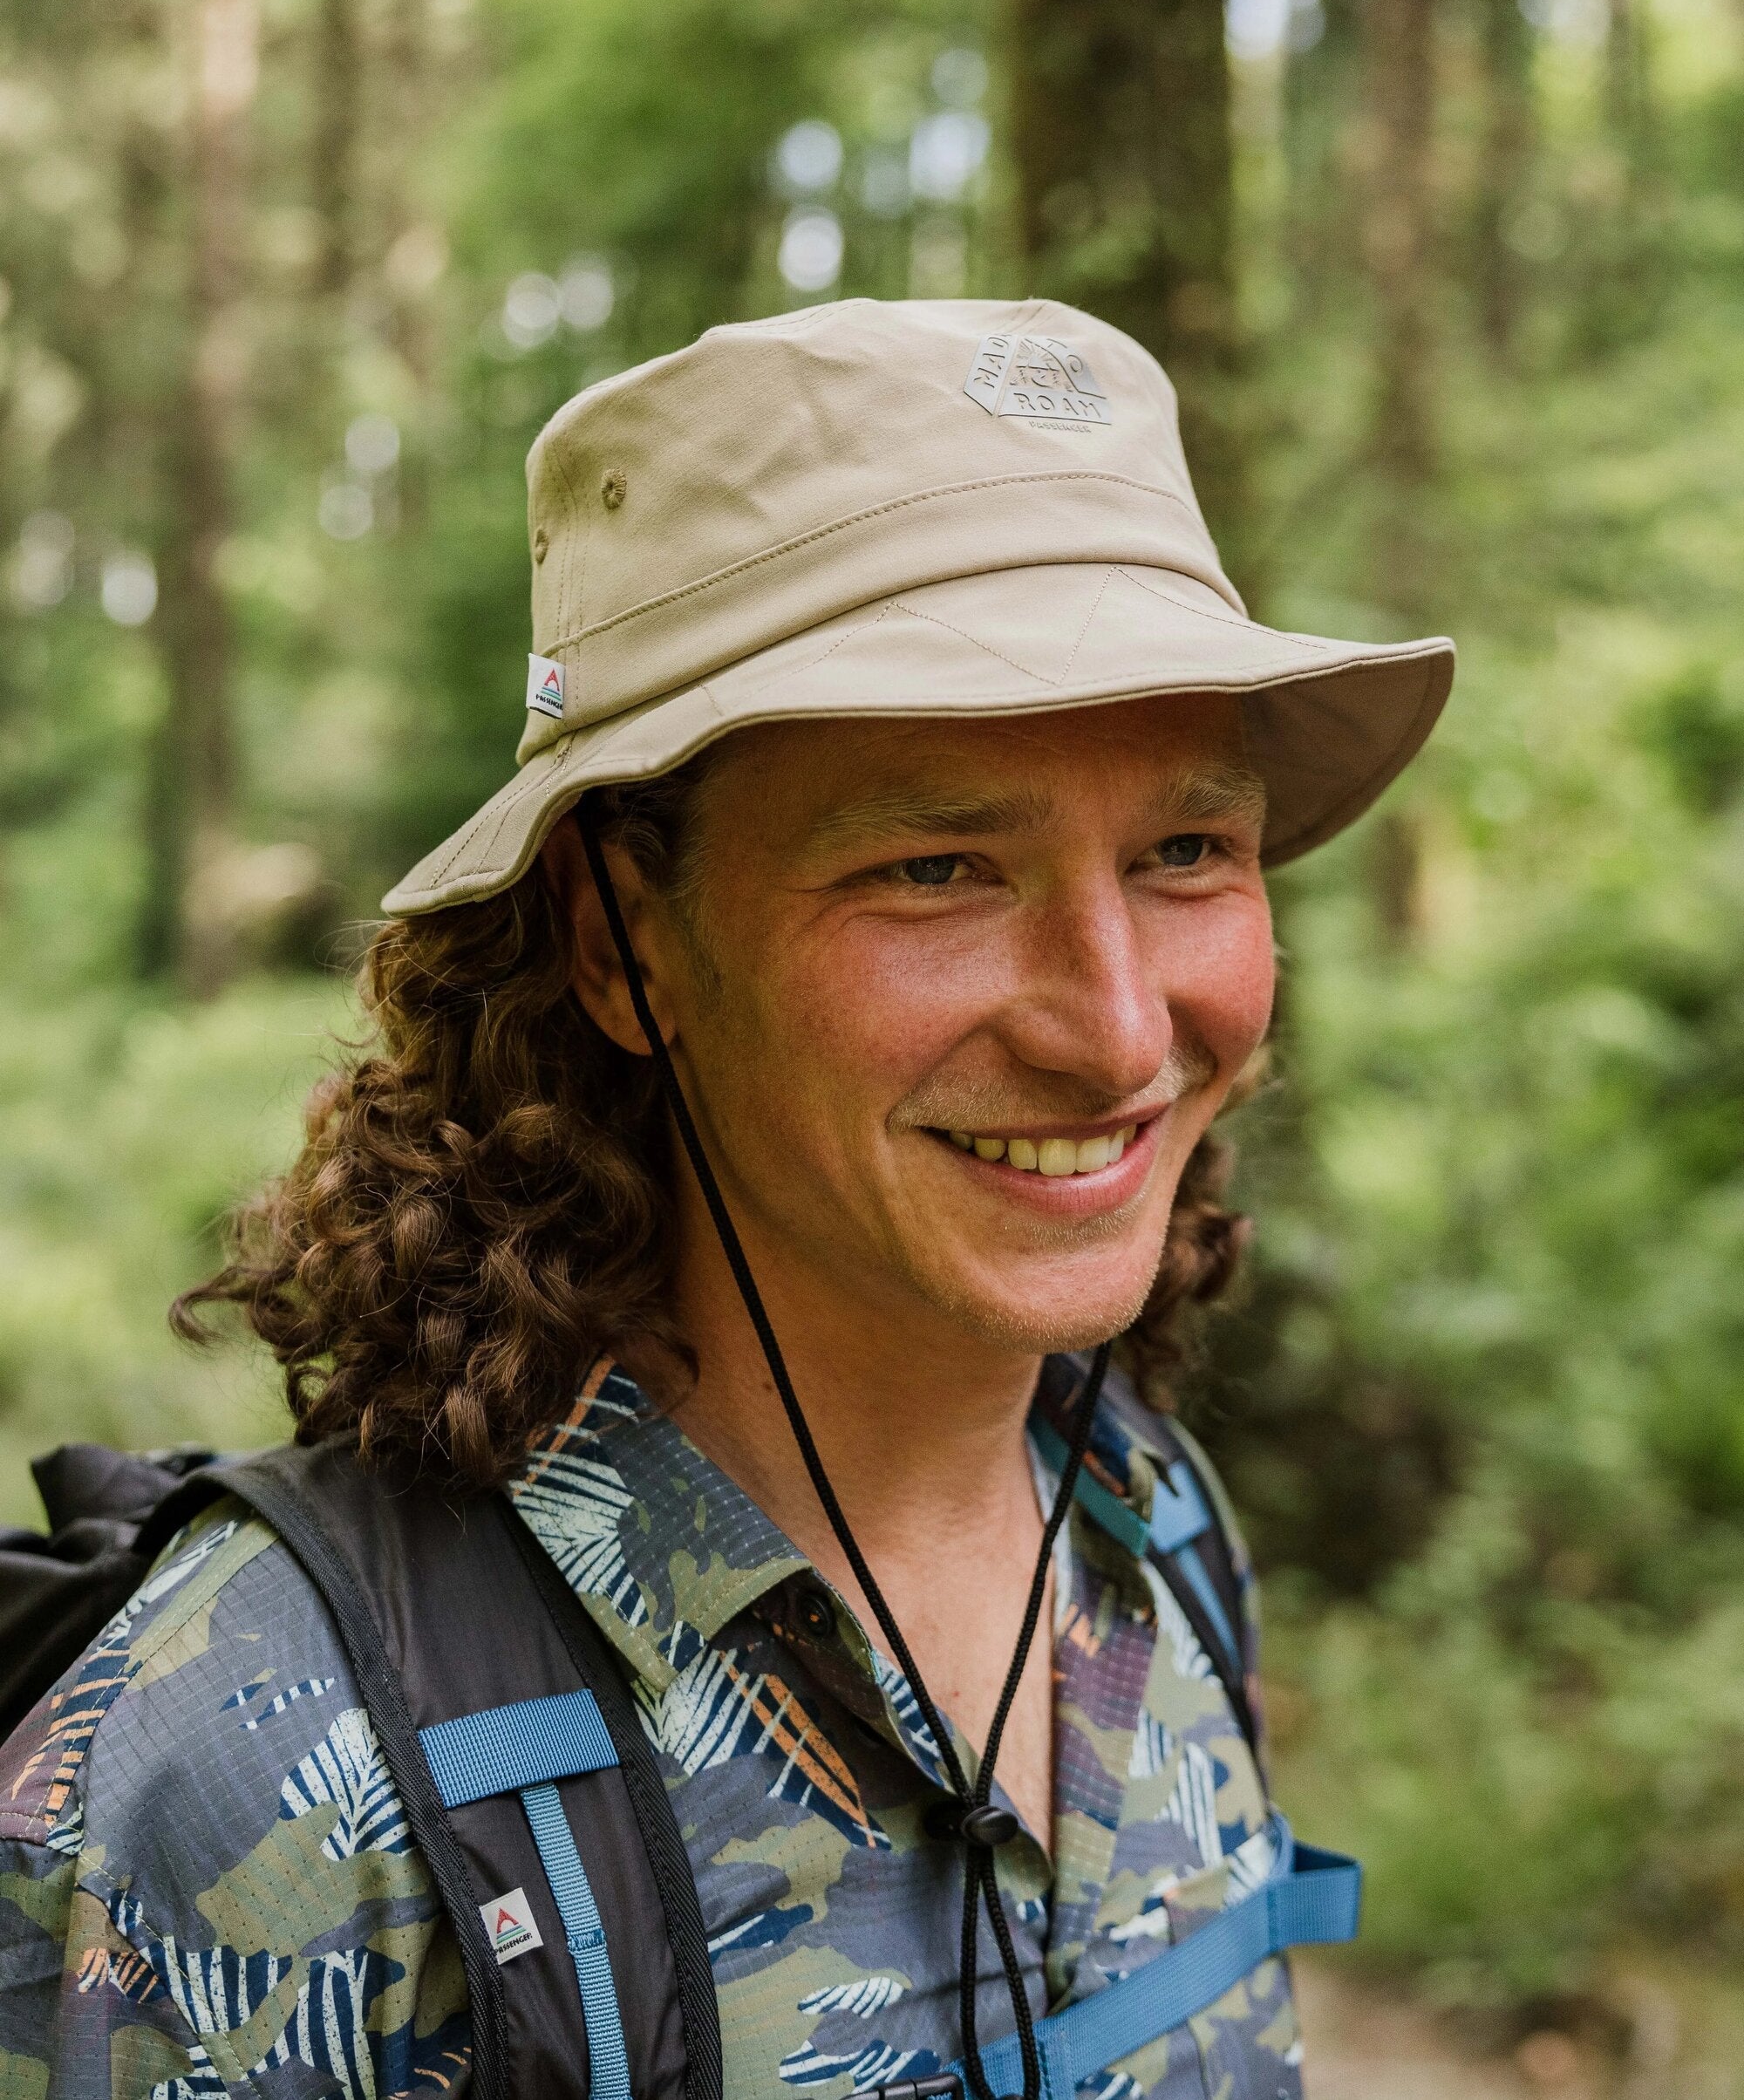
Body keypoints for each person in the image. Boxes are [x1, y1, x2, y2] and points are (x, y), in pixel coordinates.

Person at [0, 300, 1452, 2100]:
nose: (1120, 1025)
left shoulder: (1146, 1527)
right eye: (936, 866)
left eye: (1183, 853)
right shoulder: (273, 1765)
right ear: (623, 944)